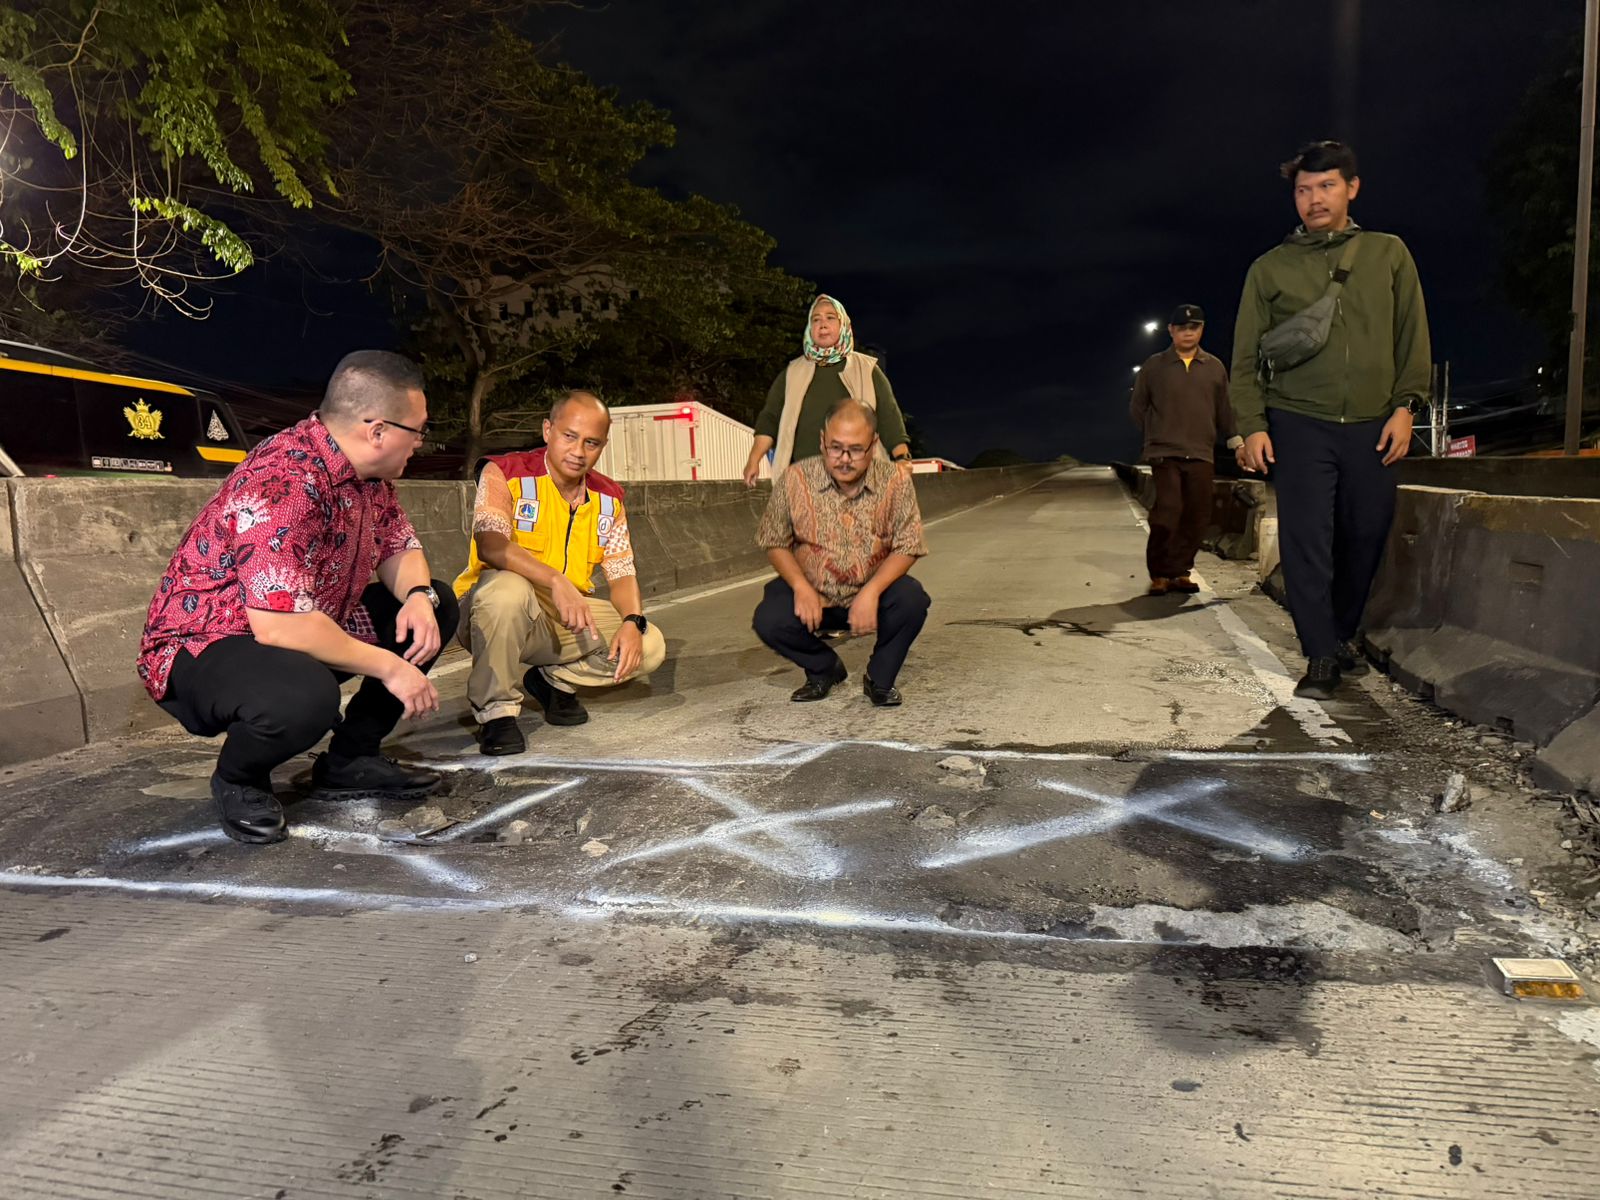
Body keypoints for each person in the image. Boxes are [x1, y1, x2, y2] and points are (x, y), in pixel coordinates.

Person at [137, 351, 459, 845]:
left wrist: (416, 594)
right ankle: (239, 779)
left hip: (301, 622)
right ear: (376, 430)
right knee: (304, 695)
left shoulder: (370, 479)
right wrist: (394, 669)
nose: (420, 442)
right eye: (415, 430)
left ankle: (351, 760)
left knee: (436, 604)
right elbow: (279, 626)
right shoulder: (284, 480)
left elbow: (400, 546)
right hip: (207, 643)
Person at [1229, 140, 1430, 699]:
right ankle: (1319, 653)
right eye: (1303, 190)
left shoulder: (1388, 253)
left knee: (1366, 532)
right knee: (1306, 540)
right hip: (1298, 420)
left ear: (1352, 188)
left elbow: (1412, 334)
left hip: (1372, 423)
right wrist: (1252, 424)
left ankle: (1341, 632)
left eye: (1326, 186)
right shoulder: (1269, 269)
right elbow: (1244, 357)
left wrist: (1405, 407)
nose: (1313, 199)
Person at [454, 390, 666, 755]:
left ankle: (552, 680)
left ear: (602, 446)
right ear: (548, 430)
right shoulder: (505, 472)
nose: (579, 451)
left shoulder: (609, 498)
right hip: (489, 609)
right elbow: (491, 545)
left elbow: (621, 572)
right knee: (506, 591)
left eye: (592, 443)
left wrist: (632, 620)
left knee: (648, 645)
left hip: (560, 616)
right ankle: (496, 713)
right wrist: (555, 580)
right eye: (569, 436)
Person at [753, 397, 930, 706]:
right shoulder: (794, 479)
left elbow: (909, 545)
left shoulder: (896, 481)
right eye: (835, 447)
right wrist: (801, 587)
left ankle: (879, 677)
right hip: (815, 595)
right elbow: (774, 541)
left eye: (856, 449)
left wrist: (872, 591)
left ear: (874, 445)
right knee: (769, 618)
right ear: (822, 442)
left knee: (911, 599)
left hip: (870, 595)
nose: (844, 459)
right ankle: (823, 668)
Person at [743, 294, 915, 485]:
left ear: (843, 325)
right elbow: (770, 419)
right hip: (805, 482)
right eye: (816, 319)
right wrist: (754, 459)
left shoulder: (866, 369)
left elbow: (889, 417)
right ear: (810, 328)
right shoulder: (792, 373)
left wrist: (902, 458)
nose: (822, 324)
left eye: (830, 318)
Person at [1130, 303, 1242, 596]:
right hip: (1165, 452)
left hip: (1201, 452)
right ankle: (1159, 573)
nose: (1188, 333)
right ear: (1171, 331)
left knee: (1197, 514)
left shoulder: (1214, 367)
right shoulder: (1154, 366)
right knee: (1168, 510)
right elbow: (1138, 407)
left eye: (1194, 327)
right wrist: (1156, 435)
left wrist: (1235, 439)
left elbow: (1224, 409)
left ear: (1201, 330)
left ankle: (1180, 570)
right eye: (1182, 328)